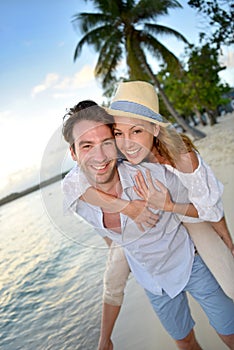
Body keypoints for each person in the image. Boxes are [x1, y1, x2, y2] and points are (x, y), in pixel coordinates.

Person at [62, 102, 234, 350]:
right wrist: (127, 208)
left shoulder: (152, 174)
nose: (99, 156)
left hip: (189, 262)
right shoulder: (77, 200)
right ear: (74, 153)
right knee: (185, 342)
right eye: (86, 145)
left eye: (106, 143)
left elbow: (207, 206)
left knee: (229, 332)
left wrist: (227, 241)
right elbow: (108, 239)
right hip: (153, 280)